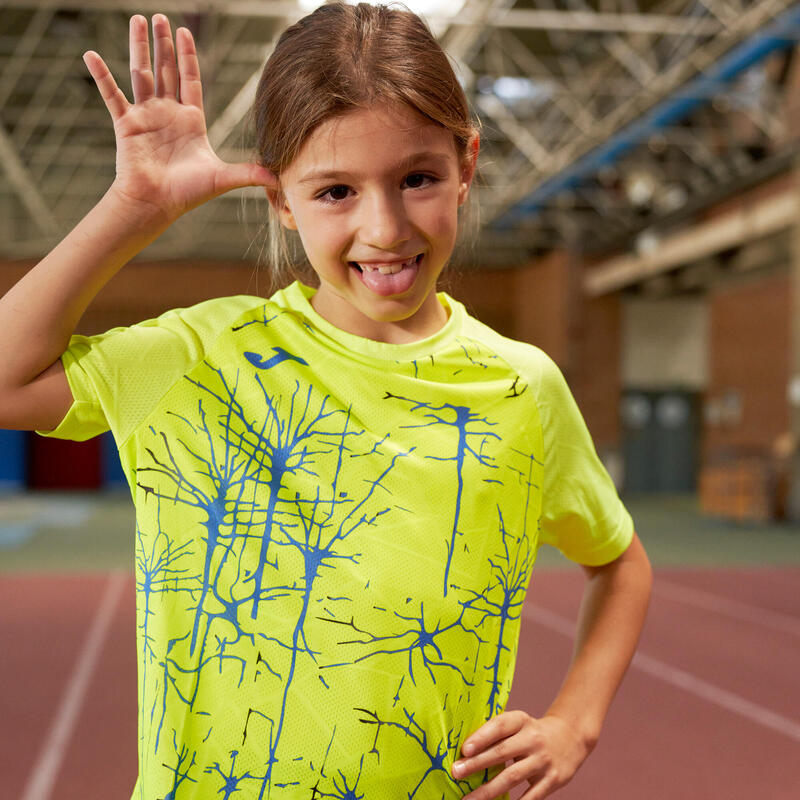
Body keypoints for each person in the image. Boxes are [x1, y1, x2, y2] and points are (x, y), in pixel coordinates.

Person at [0, 3, 652, 798]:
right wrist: (133, 211)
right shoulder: (197, 358)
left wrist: (572, 725)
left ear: (467, 164)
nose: (383, 228)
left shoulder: (522, 388)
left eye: (417, 179)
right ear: (280, 199)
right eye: (336, 190)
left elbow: (618, 564)